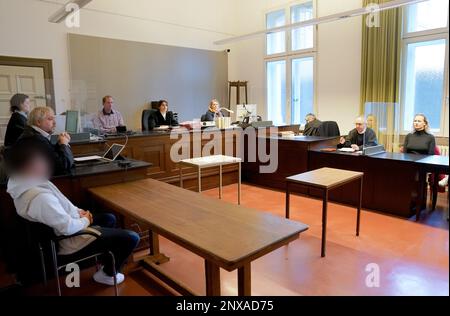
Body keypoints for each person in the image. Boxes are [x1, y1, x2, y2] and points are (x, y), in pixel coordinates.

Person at [4, 140, 139, 286]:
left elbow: (61, 205)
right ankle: (107, 274)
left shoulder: (21, 181)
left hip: (60, 230)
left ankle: (106, 262)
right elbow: (67, 227)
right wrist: (86, 220)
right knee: (131, 237)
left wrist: (78, 211)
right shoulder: (40, 198)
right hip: (66, 241)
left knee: (109, 218)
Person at [17, 106, 74, 176]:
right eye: (50, 119)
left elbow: (52, 155)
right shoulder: (35, 139)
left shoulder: (33, 135)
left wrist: (59, 143)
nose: (54, 123)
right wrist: (64, 144)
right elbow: (62, 165)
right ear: (38, 122)